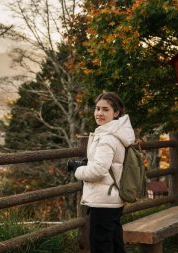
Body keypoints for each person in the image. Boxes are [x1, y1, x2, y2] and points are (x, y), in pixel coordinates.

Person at [67, 92, 135, 253]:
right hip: (112, 197)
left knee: (101, 246)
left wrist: (78, 170)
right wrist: (88, 164)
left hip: (103, 200)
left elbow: (98, 170)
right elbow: (107, 163)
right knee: (114, 242)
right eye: (97, 109)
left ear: (116, 113)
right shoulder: (115, 134)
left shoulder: (107, 138)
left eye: (105, 109)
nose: (99, 113)